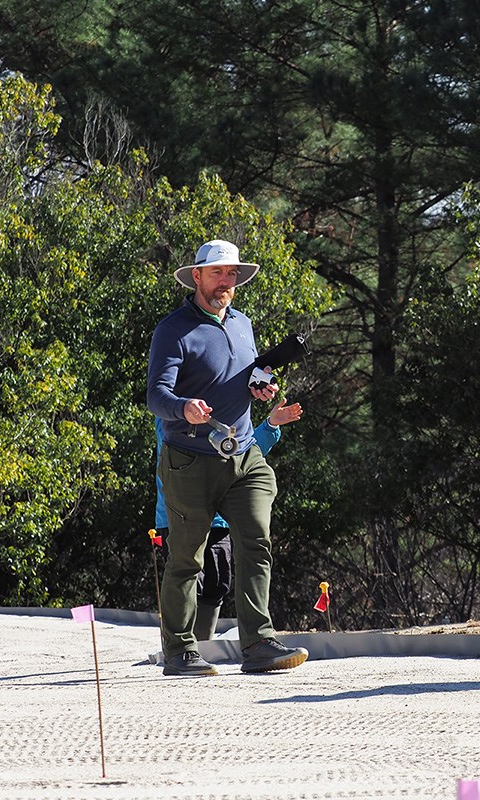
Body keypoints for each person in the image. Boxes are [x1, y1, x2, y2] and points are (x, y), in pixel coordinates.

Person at [147, 238, 309, 676]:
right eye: (217, 273)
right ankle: (180, 652)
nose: (226, 281)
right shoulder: (173, 329)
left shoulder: (243, 324)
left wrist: (261, 388)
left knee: (257, 540)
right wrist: (183, 407)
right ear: (196, 276)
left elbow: (245, 379)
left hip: (243, 454)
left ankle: (257, 644)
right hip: (189, 460)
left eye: (232, 274)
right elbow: (156, 396)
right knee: (187, 559)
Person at [153, 396, 303, 642]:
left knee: (217, 582)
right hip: (181, 512)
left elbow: (244, 454)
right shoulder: (174, 419)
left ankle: (204, 645)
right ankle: (179, 646)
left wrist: (271, 425)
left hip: (219, 519)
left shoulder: (228, 415)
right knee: (190, 576)